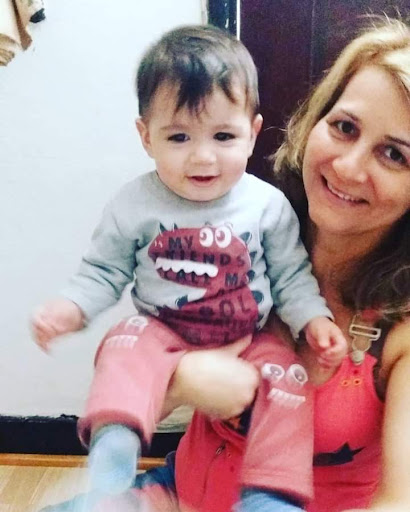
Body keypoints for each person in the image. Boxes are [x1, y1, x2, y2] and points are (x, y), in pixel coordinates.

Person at [33, 25, 347, 512]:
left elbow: (290, 276)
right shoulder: (134, 204)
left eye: (224, 136)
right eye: (178, 136)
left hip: (248, 335)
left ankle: (270, 493)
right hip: (162, 331)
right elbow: (103, 271)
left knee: (288, 377)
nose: (203, 156)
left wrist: (313, 319)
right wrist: (71, 308)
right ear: (146, 136)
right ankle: (115, 444)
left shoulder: (267, 206)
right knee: (122, 341)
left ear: (252, 133)